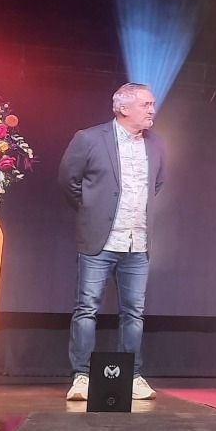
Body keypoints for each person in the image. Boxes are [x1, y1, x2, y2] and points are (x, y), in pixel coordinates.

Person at [58, 82, 166, 402]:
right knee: (87, 309)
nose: (152, 110)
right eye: (146, 105)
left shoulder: (156, 144)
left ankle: (131, 376)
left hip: (138, 243)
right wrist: (91, 207)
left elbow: (156, 184)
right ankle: (81, 376)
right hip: (99, 240)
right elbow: (68, 180)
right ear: (123, 108)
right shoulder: (89, 138)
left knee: (133, 313)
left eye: (152, 104)